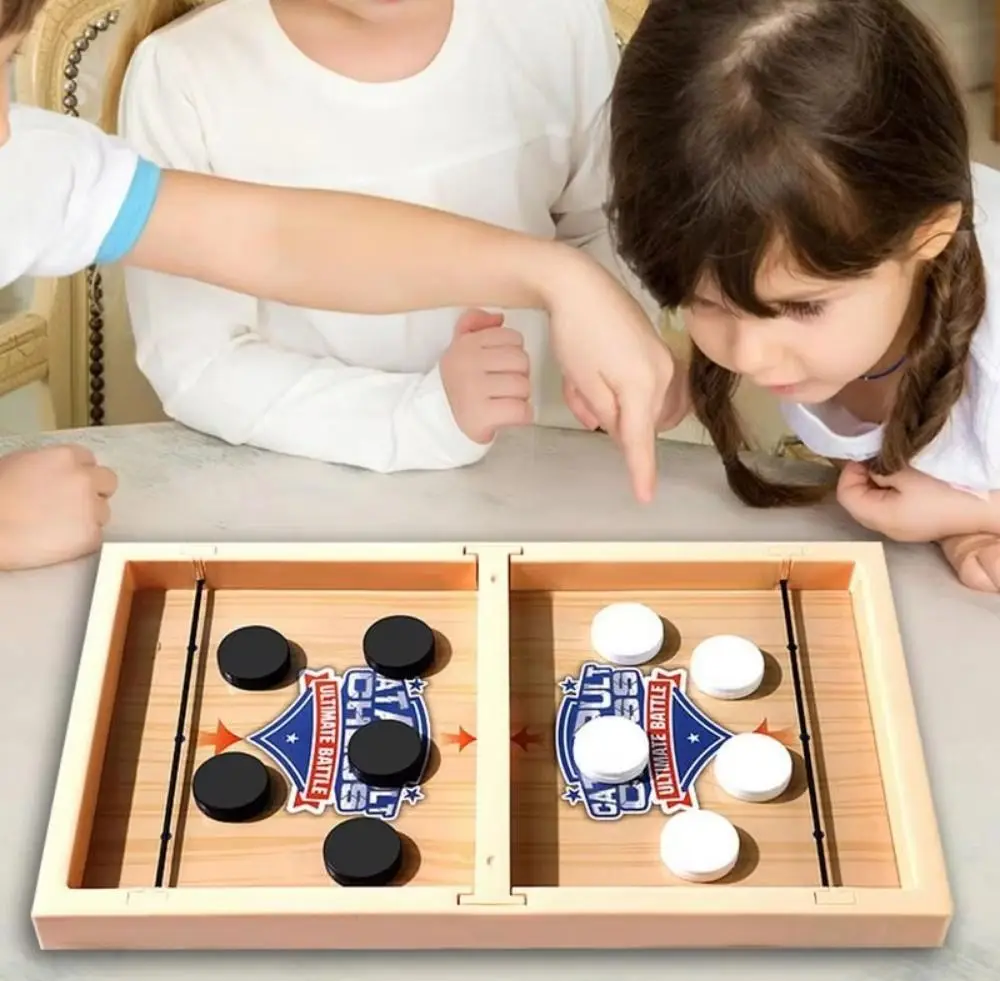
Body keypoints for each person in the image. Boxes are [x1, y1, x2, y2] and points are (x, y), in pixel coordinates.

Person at [0, 0, 681, 572]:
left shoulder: (28, 166)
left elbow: (281, 239)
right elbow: (202, 354)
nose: (6, 120)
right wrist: (420, 416)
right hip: (308, 509)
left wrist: (587, 296)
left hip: (548, 490)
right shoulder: (187, 74)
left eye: (6, 65)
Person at [607, 0, 1000, 593]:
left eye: (802, 307)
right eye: (703, 301)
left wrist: (969, 514)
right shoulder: (837, 268)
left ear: (929, 235)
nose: (750, 355)